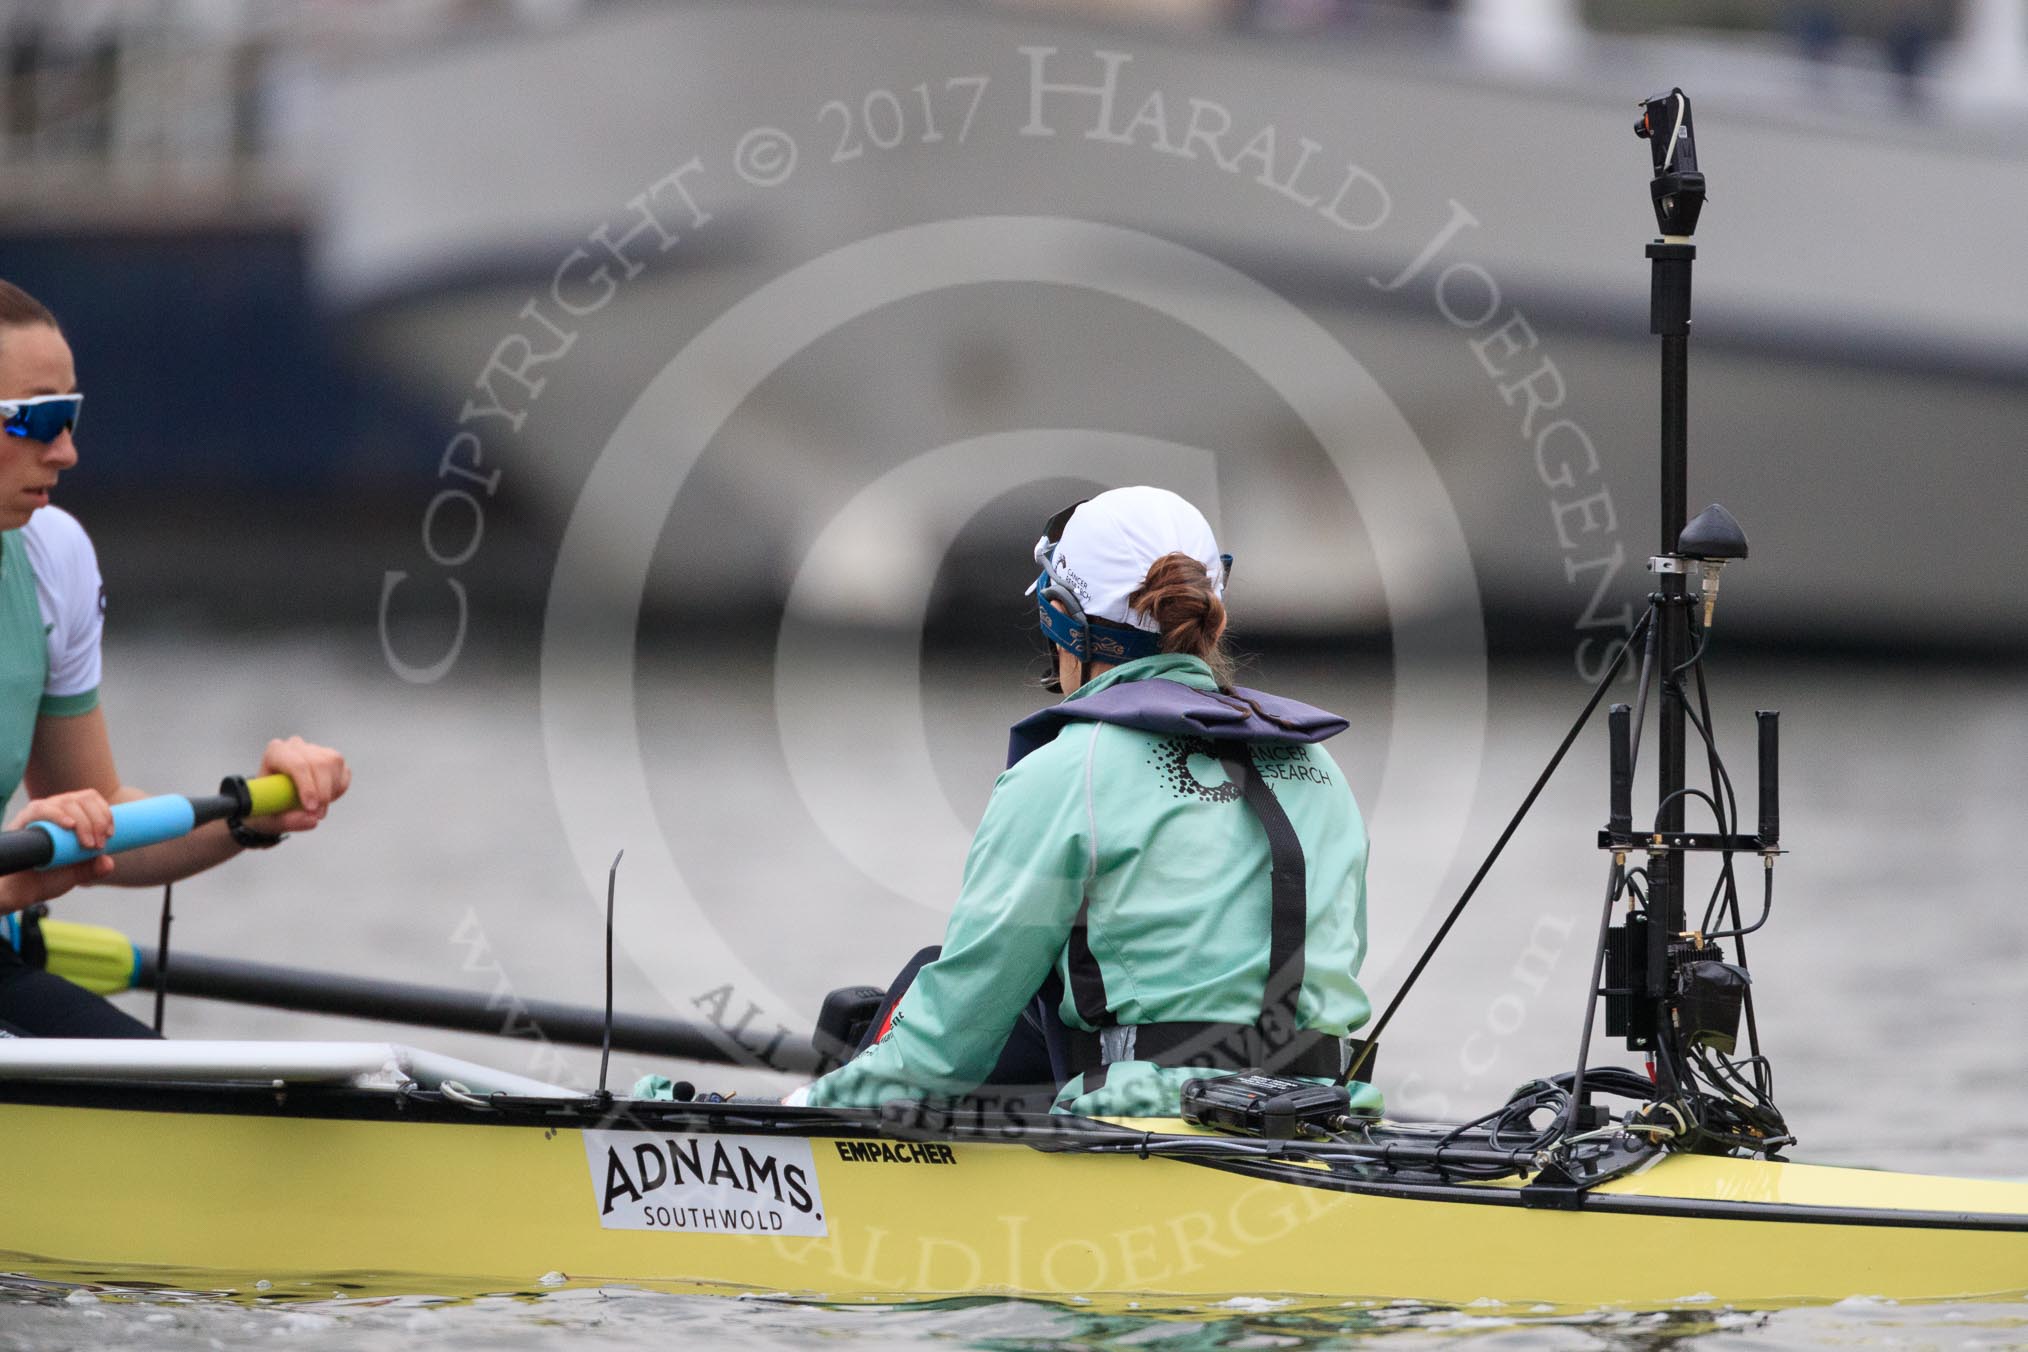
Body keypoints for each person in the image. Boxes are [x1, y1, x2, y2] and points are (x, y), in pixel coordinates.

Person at [790, 485, 1378, 1118]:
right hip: (1324, 1108)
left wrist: (803, 1106)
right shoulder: (1320, 767)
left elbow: (950, 1037)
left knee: (923, 983)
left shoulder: (1068, 771)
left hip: (1146, 1118)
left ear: (1061, 616)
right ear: (1213, 614)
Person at [0, 278, 350, 1037]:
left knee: (180, 1092)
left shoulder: (50, 555)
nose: (68, 451)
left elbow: (105, 818)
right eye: (39, 419)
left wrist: (254, 813)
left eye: (73, 415)